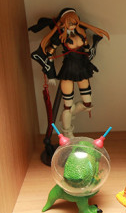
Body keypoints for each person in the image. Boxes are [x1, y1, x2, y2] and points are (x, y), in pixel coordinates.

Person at [29, 8, 110, 137]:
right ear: (63, 22)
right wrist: (51, 74)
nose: (72, 24)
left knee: (87, 104)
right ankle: (68, 132)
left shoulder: (81, 33)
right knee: (67, 105)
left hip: (82, 70)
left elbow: (87, 51)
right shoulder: (59, 37)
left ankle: (67, 115)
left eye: (74, 22)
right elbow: (49, 54)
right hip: (67, 71)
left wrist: (90, 52)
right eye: (69, 22)